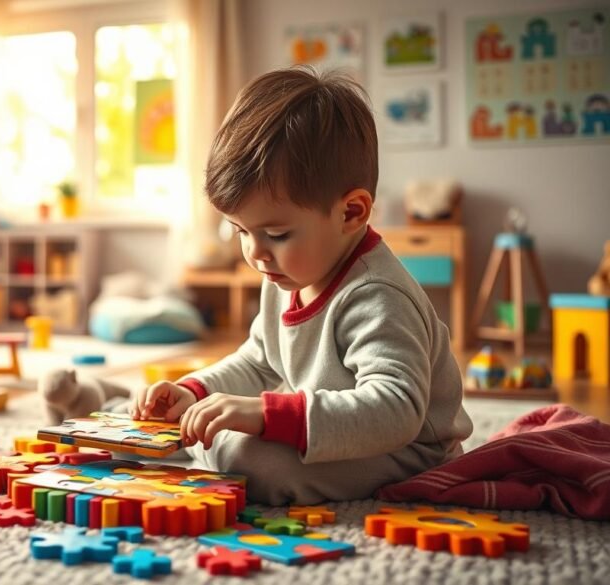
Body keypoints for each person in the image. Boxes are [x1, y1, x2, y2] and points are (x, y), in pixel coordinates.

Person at [41, 66, 473, 505]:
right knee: (206, 424)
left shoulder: (379, 296)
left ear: (351, 213)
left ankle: (133, 418)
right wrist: (195, 390)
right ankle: (108, 409)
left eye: (277, 234)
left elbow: (394, 411)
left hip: (405, 450)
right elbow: (260, 362)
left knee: (249, 458)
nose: (256, 253)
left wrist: (264, 414)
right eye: (241, 231)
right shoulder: (286, 272)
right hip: (323, 424)